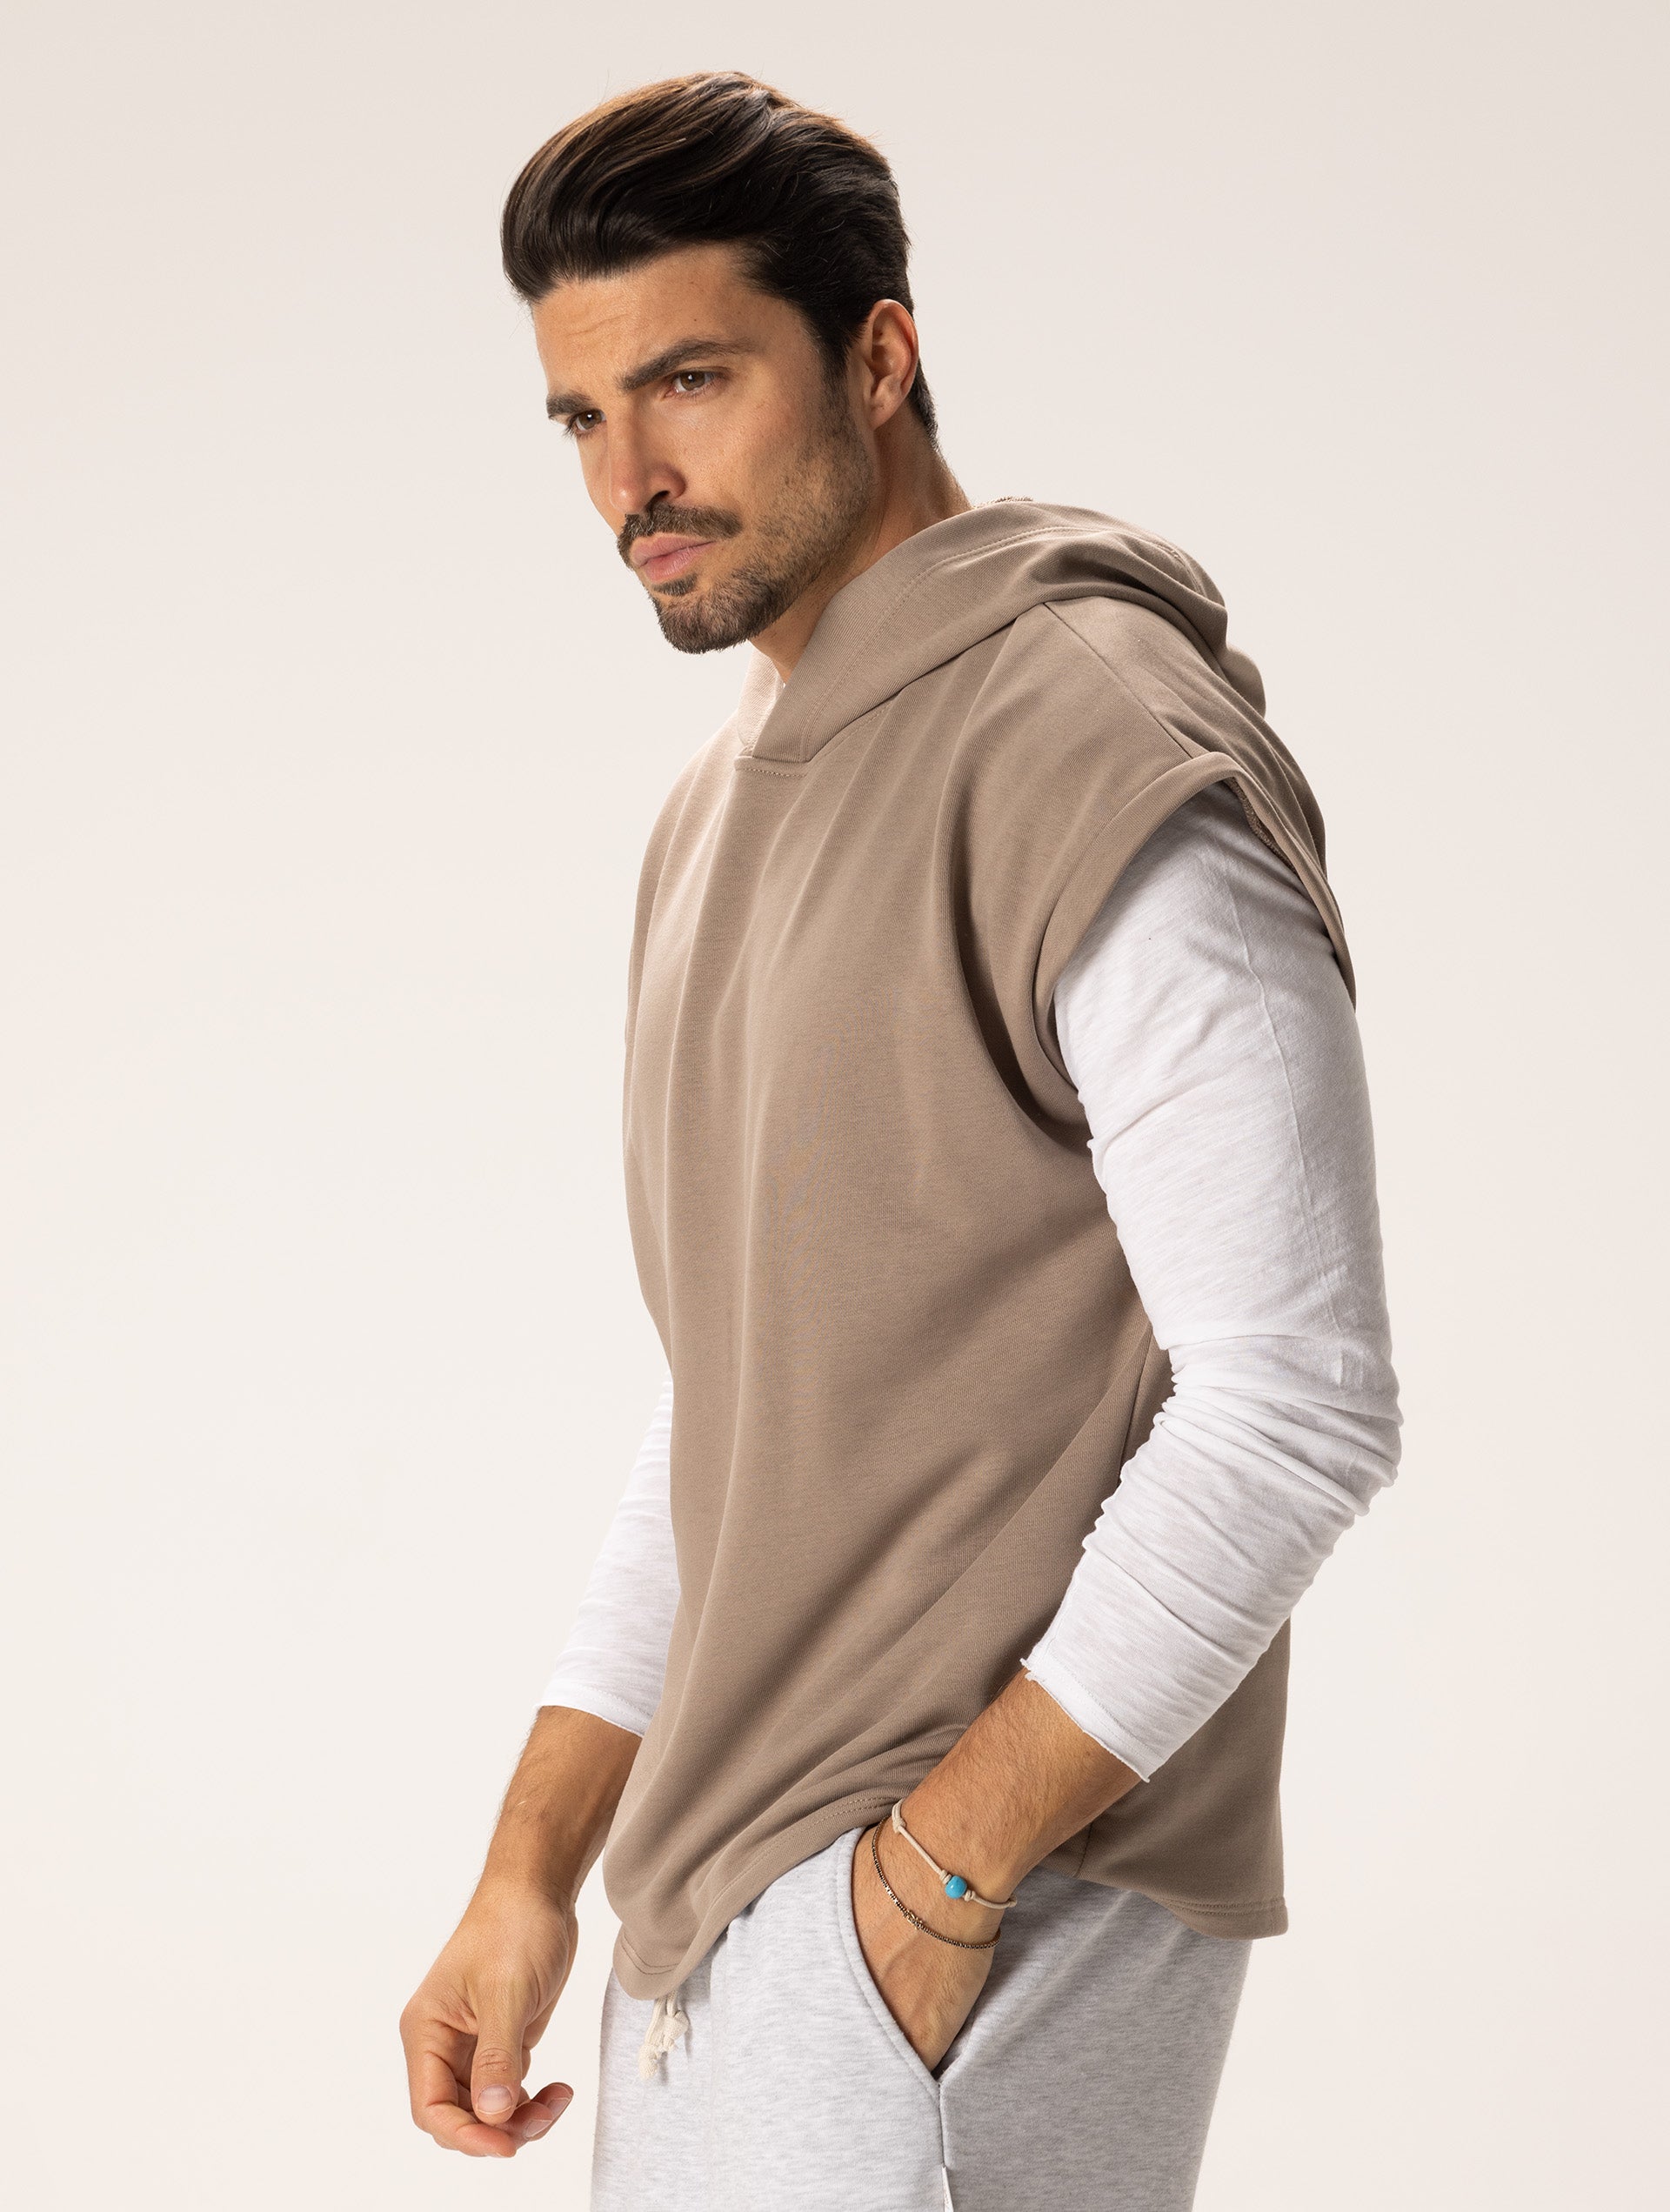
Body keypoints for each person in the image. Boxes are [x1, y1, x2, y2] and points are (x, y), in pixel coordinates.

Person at [398, 70, 1402, 2212]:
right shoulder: (719, 807)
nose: (632, 481)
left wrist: (935, 1885)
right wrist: (533, 1866)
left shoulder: (1090, 738)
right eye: (581, 418)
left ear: (878, 355)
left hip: (965, 1925)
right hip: (716, 1933)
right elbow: (743, 1406)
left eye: (690, 381)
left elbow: (1297, 1397)